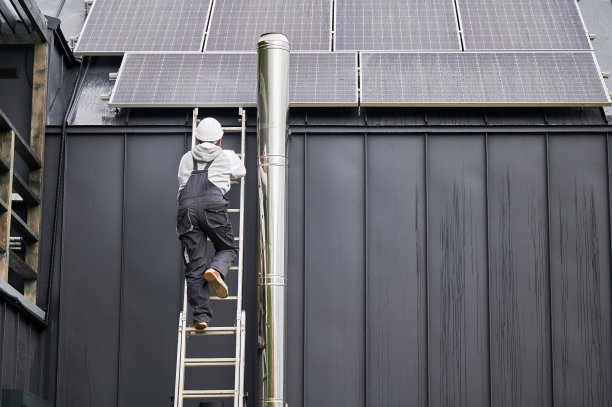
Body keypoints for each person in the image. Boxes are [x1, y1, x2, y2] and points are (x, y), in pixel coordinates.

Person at [176, 117, 246, 330]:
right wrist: (232, 156)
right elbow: (240, 172)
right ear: (219, 140)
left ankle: (201, 318)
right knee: (227, 247)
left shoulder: (186, 158)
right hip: (213, 207)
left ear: (197, 139)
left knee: (194, 264)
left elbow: (181, 181)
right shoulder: (225, 155)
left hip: (186, 210)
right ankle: (216, 270)